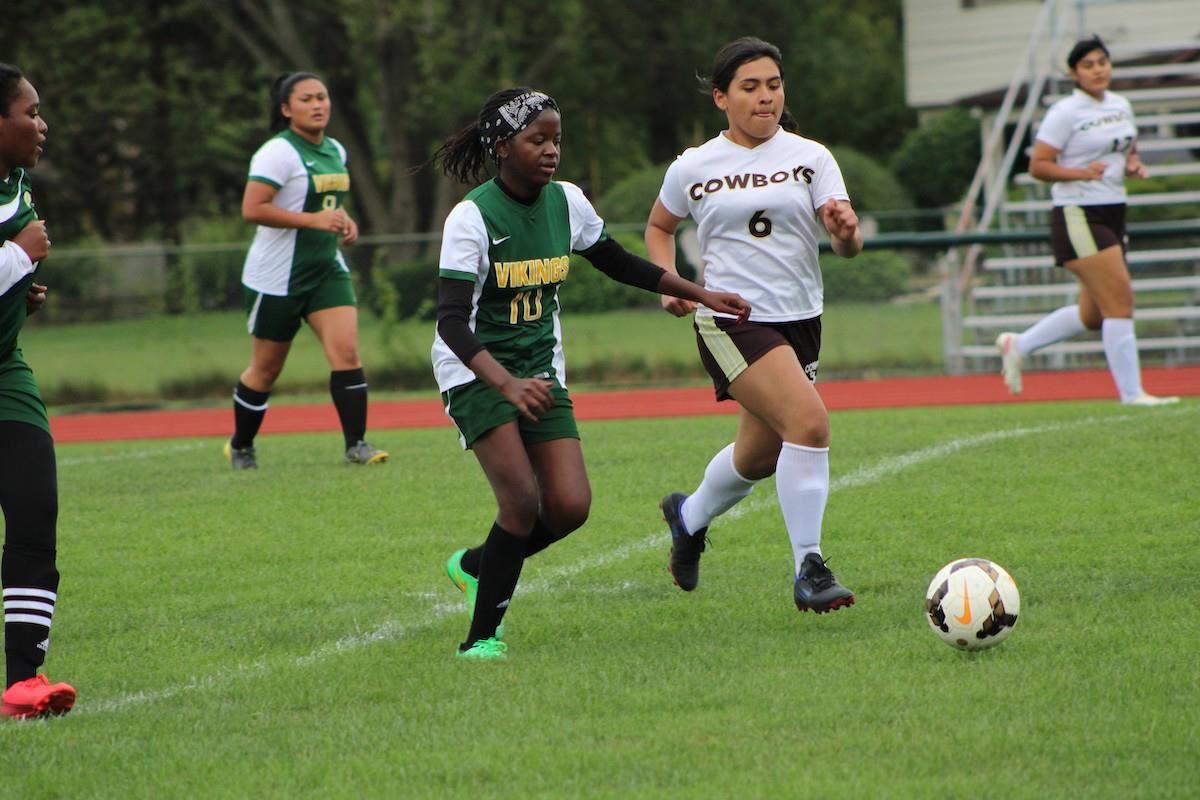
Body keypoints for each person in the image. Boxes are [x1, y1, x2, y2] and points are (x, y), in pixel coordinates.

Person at [432, 87, 751, 659]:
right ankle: (480, 639)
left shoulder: (568, 202)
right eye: (538, 140)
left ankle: (476, 565)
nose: (552, 150)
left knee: (571, 506)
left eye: (557, 138)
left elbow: (619, 262)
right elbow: (453, 323)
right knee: (521, 504)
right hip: (475, 372)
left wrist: (699, 292)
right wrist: (503, 383)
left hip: (540, 371)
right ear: (503, 147)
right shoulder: (472, 216)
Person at [645, 37, 863, 614]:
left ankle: (687, 518)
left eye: (773, 84)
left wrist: (844, 230)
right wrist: (670, 283)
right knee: (810, 425)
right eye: (749, 87)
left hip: (802, 320)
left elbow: (847, 246)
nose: (765, 97)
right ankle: (810, 569)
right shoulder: (693, 165)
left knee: (761, 455)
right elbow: (659, 228)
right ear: (721, 97)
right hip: (730, 319)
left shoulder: (812, 156)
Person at [995, 37, 1179, 406]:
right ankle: (1133, 395)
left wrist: (1133, 163)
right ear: (1074, 74)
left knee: (1093, 315)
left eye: (1102, 62)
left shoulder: (1121, 104)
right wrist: (1080, 173)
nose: (1098, 69)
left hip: (1114, 210)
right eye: (1088, 65)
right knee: (1120, 302)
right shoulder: (1066, 111)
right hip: (1078, 213)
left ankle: (1019, 344)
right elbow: (1038, 166)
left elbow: (1126, 146)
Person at [224, 71, 390, 470]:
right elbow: (253, 209)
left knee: (346, 352)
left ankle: (357, 445)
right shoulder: (277, 153)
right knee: (265, 370)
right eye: (306, 99)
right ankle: (241, 446)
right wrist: (316, 221)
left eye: (322, 97)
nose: (318, 105)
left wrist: (344, 221)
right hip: (277, 277)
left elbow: (329, 202)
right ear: (286, 109)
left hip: (325, 271)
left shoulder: (335, 148)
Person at [0, 63, 76, 718]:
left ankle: (24, 680)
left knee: (34, 511)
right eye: (29, 112)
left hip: (5, 373)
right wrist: (19, 257)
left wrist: (21, 295)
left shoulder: (15, 181)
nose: (41, 123)